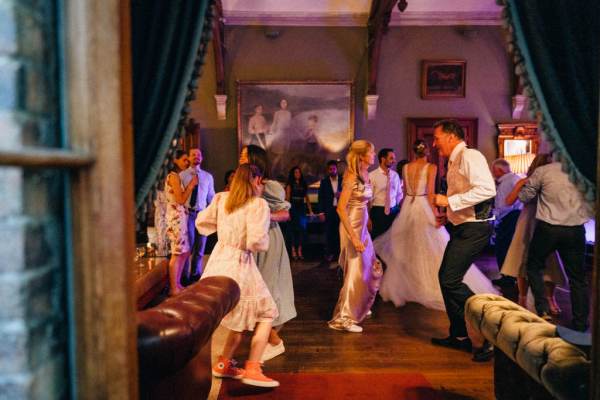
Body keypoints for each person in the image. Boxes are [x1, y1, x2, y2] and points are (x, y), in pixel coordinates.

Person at [374, 140, 497, 311]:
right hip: (423, 205)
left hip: (408, 206)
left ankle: (410, 285)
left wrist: (402, 210)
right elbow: (431, 193)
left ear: (413, 152)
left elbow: (404, 193)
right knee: (431, 247)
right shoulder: (431, 167)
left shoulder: (406, 167)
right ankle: (426, 284)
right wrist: (437, 213)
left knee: (409, 247)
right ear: (427, 153)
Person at [196, 164, 279, 388]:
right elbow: (257, 241)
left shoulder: (222, 199)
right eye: (260, 181)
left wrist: (227, 228)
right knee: (267, 312)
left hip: (217, 262)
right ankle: (253, 367)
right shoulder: (257, 204)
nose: (261, 185)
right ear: (255, 180)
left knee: (240, 316)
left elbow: (202, 223)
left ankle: (223, 364)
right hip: (240, 264)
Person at [431, 119, 496, 352]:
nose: (434, 143)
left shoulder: (470, 156)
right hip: (462, 226)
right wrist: (448, 215)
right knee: (446, 278)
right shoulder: (453, 160)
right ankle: (459, 336)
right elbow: (464, 192)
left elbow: (487, 189)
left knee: (449, 280)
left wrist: (449, 201)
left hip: (476, 228)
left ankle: (487, 327)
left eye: (437, 138)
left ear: (451, 136)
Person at [518, 157, 593, 331]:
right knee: (578, 279)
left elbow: (524, 197)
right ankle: (580, 324)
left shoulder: (544, 171)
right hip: (575, 230)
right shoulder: (581, 172)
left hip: (548, 229)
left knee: (533, 266)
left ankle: (543, 309)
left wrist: (528, 186)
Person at [240, 145, 297, 362]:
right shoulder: (241, 182)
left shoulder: (269, 186)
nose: (240, 158)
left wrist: (264, 215)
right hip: (249, 239)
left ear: (255, 159)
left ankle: (273, 341)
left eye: (244, 155)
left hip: (268, 240)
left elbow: (285, 214)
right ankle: (267, 340)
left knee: (265, 289)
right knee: (250, 291)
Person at [500, 154, 566, 313]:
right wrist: (519, 185)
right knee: (521, 260)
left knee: (550, 261)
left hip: (546, 221)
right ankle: (522, 298)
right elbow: (508, 201)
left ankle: (551, 298)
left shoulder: (553, 182)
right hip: (527, 222)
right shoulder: (526, 181)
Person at [329, 140, 382, 333]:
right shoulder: (351, 176)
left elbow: (364, 202)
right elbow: (341, 208)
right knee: (355, 269)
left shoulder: (365, 174)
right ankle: (344, 318)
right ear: (362, 156)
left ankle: (358, 303)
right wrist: (354, 237)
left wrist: (367, 221)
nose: (374, 155)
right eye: (372, 152)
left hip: (362, 225)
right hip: (351, 225)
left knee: (368, 264)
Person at [179, 148, 215, 283]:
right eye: (193, 155)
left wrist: (212, 212)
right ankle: (184, 277)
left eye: (199, 155)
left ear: (202, 158)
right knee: (188, 247)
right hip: (188, 214)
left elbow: (211, 196)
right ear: (189, 157)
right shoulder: (182, 176)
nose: (196, 157)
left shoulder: (208, 177)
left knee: (200, 248)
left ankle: (195, 274)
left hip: (202, 214)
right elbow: (179, 196)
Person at [164, 150, 197, 296]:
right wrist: (190, 186)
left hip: (180, 216)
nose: (187, 162)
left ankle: (178, 283)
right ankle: (173, 288)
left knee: (185, 251)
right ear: (175, 161)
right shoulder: (173, 176)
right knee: (177, 253)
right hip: (176, 218)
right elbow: (180, 200)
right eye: (184, 159)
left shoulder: (176, 176)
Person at [490, 159, 522, 287]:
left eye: (493, 170)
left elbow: (504, 205)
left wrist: (495, 217)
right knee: (509, 248)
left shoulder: (506, 183)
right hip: (516, 216)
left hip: (508, 217)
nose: (492, 173)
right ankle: (510, 276)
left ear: (500, 170)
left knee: (502, 247)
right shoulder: (516, 179)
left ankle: (507, 277)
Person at [369, 148, 403, 239]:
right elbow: (369, 199)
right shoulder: (372, 176)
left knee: (393, 240)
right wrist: (368, 218)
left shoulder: (395, 175)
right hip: (378, 212)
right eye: (391, 158)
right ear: (383, 159)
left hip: (394, 212)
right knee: (378, 239)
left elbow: (399, 194)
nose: (394, 161)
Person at [286, 166, 314, 260]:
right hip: (293, 207)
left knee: (302, 230)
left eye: (299, 172)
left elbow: (307, 198)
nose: (298, 174)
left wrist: (310, 210)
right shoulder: (290, 184)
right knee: (293, 230)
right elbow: (287, 198)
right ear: (293, 174)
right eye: (296, 172)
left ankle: (300, 251)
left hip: (301, 208)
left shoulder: (303, 184)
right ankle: (293, 250)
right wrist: (287, 211)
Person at [318, 160, 343, 263]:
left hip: (340, 210)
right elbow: (321, 198)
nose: (332, 171)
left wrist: (341, 194)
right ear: (328, 170)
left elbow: (349, 194)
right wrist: (321, 212)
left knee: (340, 233)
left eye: (334, 169)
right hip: (329, 210)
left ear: (336, 169)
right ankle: (329, 253)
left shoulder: (343, 180)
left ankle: (339, 254)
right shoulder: (324, 182)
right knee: (329, 233)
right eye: (330, 169)